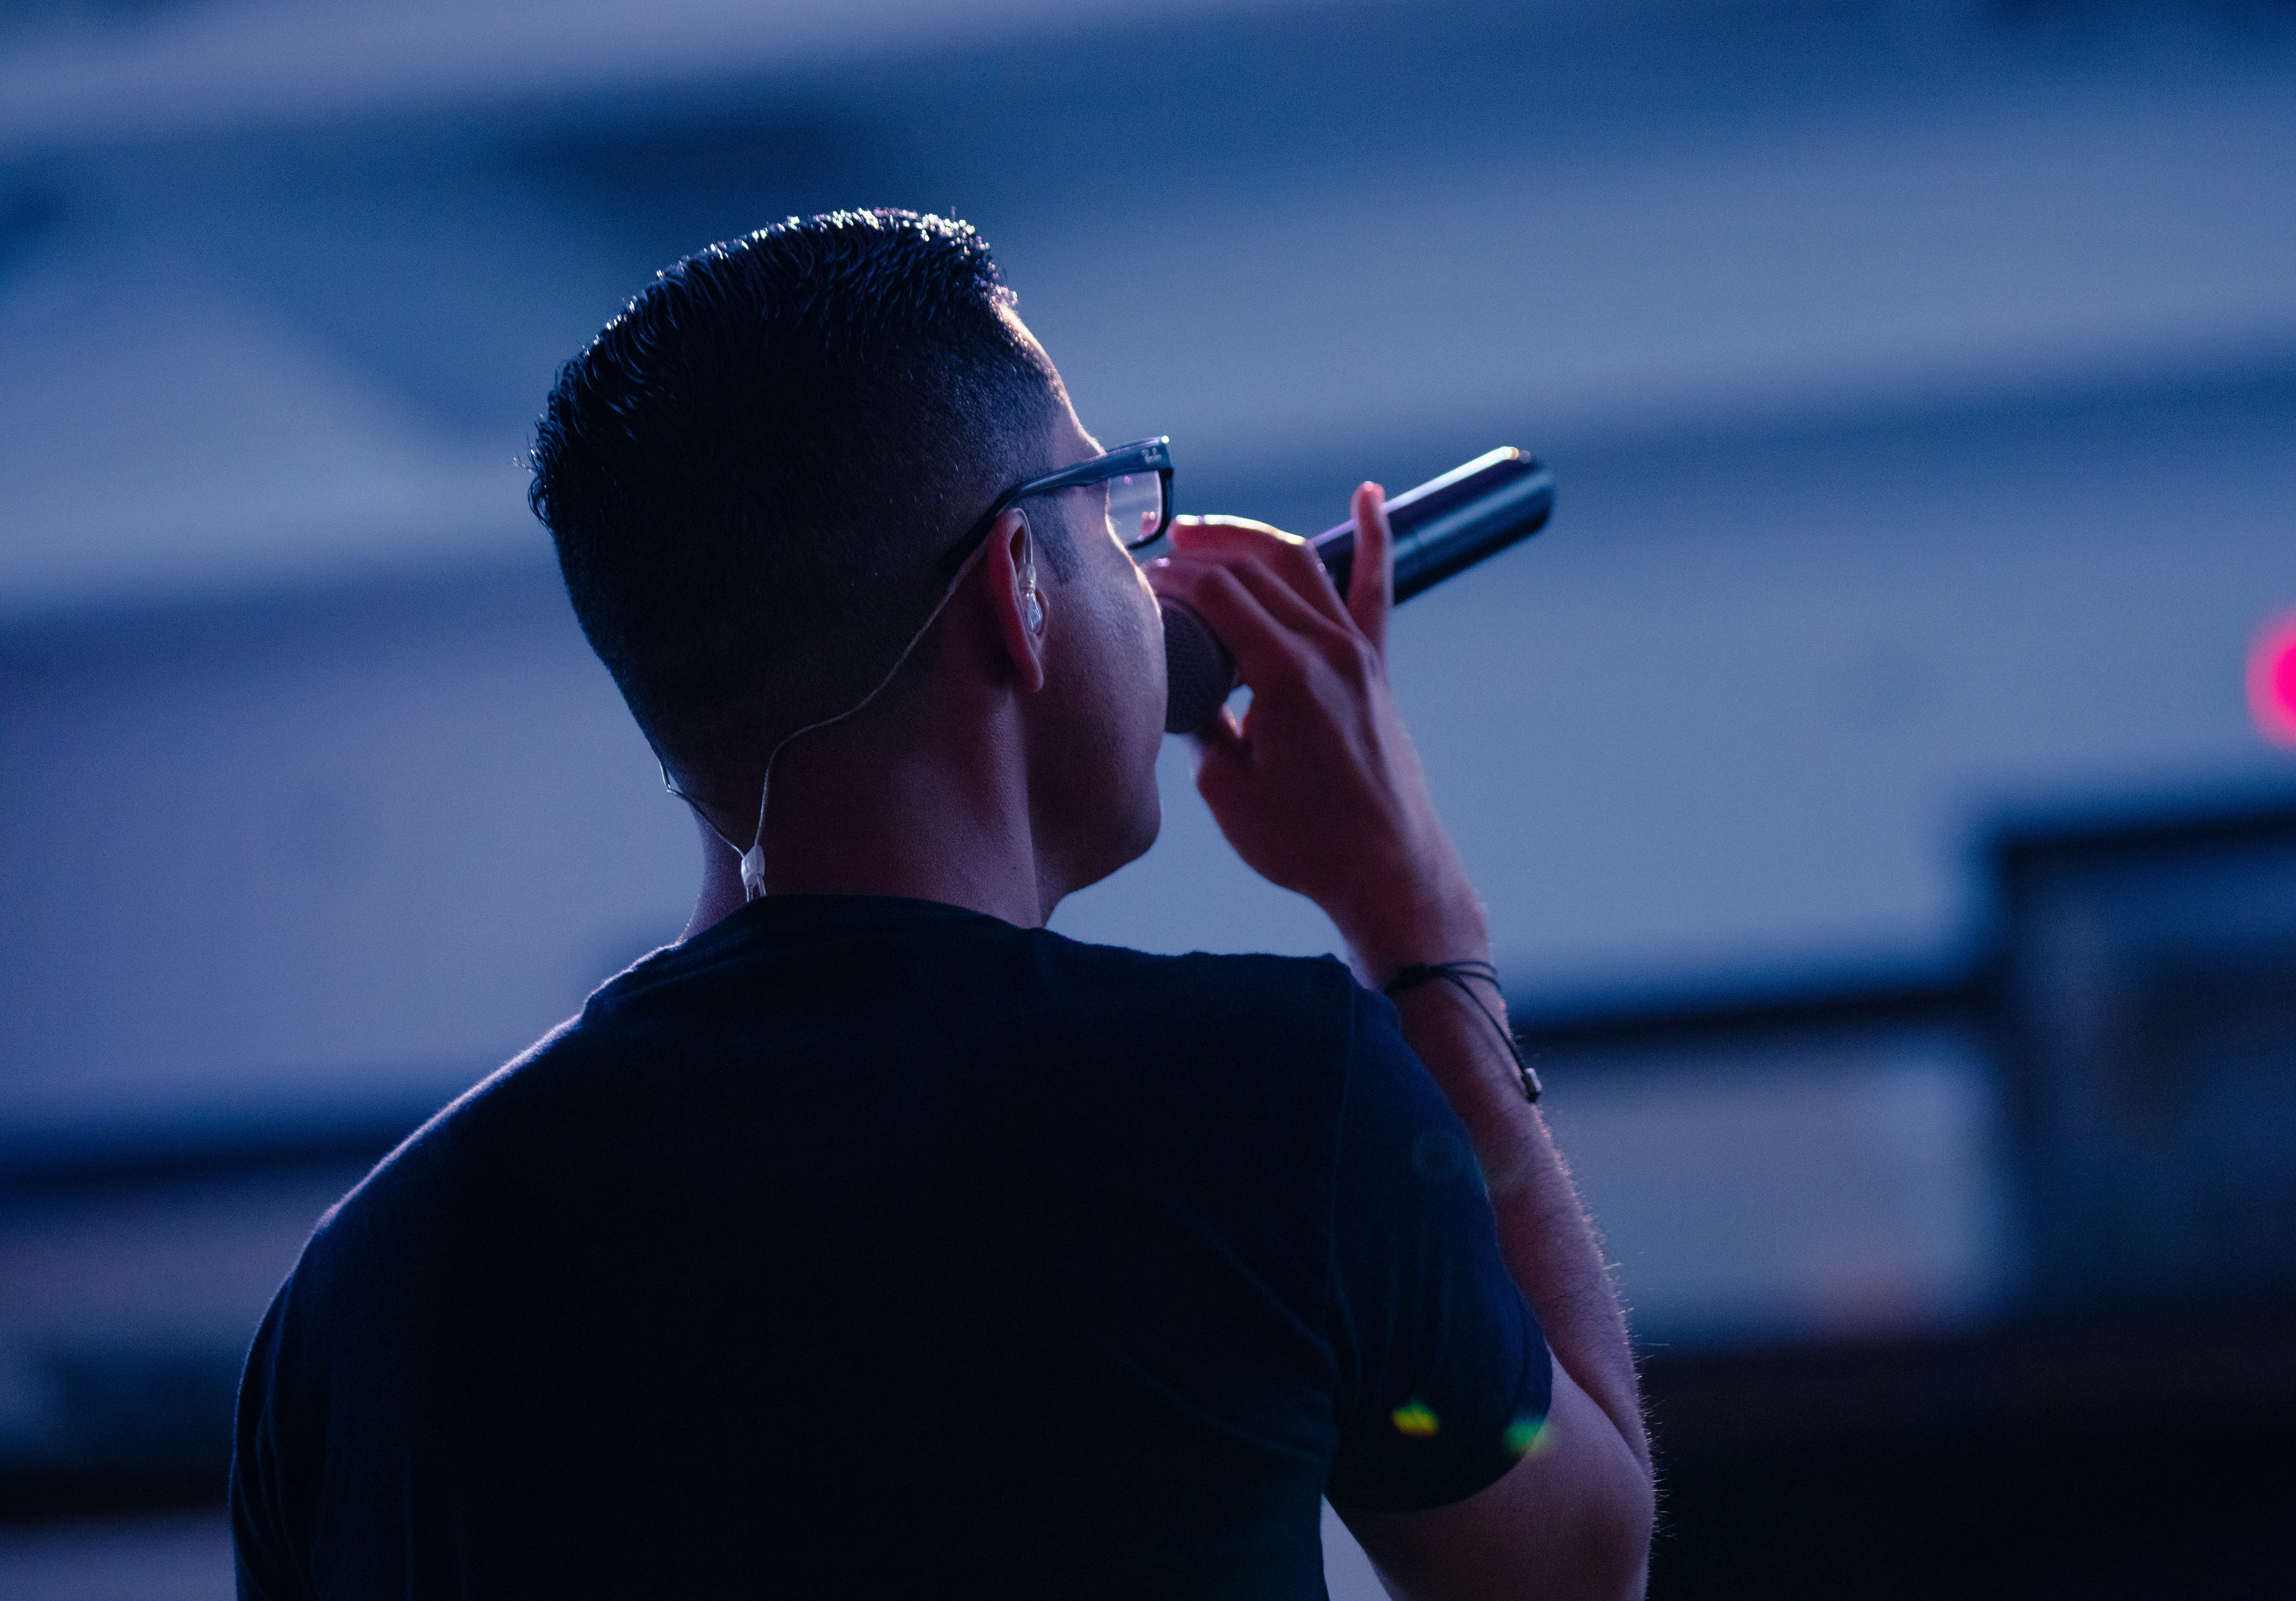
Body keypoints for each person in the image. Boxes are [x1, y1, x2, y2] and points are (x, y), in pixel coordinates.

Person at [227, 209, 1653, 1598]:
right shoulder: (1272, 1100)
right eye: (1109, 514)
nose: (1151, 574)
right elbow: (1575, 1569)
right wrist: (1421, 927)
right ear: (1021, 589)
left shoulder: (359, 1300)